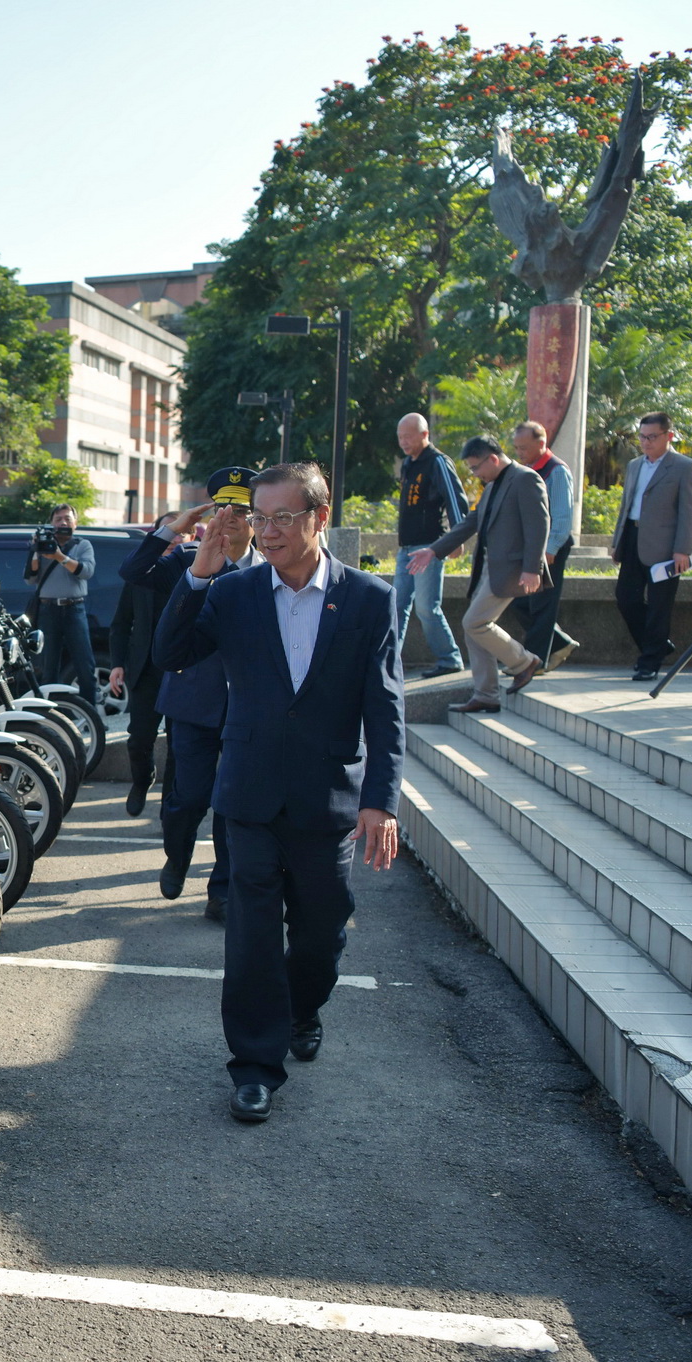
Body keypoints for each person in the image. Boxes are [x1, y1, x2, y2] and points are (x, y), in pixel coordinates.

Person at [150, 462, 405, 1125]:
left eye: (282, 518)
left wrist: (382, 801)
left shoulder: (370, 600)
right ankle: (255, 1067)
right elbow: (172, 653)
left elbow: (386, 707)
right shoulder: (233, 594)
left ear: (319, 518)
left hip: (328, 798)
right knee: (252, 936)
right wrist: (200, 570)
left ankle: (303, 1009)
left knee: (321, 933)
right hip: (250, 794)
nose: (267, 532)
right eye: (259, 519)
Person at [156, 479, 257, 925]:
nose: (231, 519)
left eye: (242, 511)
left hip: (247, 709)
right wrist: (175, 533)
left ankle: (221, 890)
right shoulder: (187, 559)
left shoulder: (271, 566)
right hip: (195, 701)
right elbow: (136, 573)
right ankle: (177, 856)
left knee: (231, 803)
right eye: (223, 509)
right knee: (188, 799)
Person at [408, 436, 548, 715]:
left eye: (475, 468)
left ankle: (524, 662)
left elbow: (539, 524)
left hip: (512, 569)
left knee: (475, 622)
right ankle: (486, 695)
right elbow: (471, 523)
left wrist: (533, 568)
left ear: (492, 459)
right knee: (474, 630)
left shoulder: (525, 479)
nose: (475, 474)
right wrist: (434, 551)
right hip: (490, 568)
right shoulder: (494, 483)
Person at [107, 497, 216, 816]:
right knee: (139, 738)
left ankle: (170, 806)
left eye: (182, 532)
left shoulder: (196, 569)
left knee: (178, 745)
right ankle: (142, 781)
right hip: (146, 669)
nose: (176, 539)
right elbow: (120, 623)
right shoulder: (142, 578)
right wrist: (117, 664)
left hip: (184, 670)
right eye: (170, 532)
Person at [615, 411, 692, 681]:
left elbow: (691, 512)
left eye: (652, 437)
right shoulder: (634, 465)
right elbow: (625, 505)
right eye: (642, 437)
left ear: (669, 436)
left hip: (666, 547)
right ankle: (658, 645)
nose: (646, 442)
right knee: (626, 598)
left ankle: (649, 661)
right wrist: (617, 542)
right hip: (632, 538)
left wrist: (683, 550)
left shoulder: (685, 467)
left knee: (659, 605)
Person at [392, 413, 469, 678]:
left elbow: (455, 500)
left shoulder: (438, 462)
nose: (403, 441)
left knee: (426, 607)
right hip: (407, 548)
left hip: (430, 546)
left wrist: (456, 540)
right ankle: (390, 660)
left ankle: (449, 658)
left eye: (408, 436)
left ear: (425, 435)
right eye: (400, 436)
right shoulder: (407, 463)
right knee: (396, 605)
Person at [509, 421, 579, 669]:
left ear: (541, 444)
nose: (519, 453)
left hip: (549, 548)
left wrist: (551, 549)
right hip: (528, 547)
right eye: (517, 448)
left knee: (542, 604)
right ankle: (559, 643)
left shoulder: (556, 471)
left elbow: (562, 515)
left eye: (524, 448)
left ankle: (534, 662)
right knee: (519, 601)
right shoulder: (523, 468)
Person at [24, 503, 96, 703]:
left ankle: (92, 714)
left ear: (75, 523)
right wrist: (36, 550)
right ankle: (50, 716)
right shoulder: (43, 543)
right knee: (49, 667)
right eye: (58, 519)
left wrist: (59, 556)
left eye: (67, 518)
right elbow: (30, 579)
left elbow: (86, 572)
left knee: (85, 665)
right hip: (48, 609)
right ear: (51, 524)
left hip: (74, 609)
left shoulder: (82, 545)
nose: (63, 522)